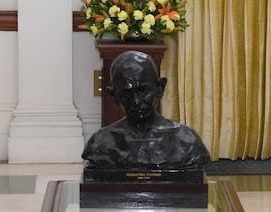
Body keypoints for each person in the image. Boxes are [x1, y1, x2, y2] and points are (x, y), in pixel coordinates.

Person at [82, 50, 211, 170]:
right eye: (126, 94)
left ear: (160, 88)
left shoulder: (186, 141)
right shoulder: (100, 144)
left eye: (143, 91)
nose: (136, 101)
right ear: (113, 96)